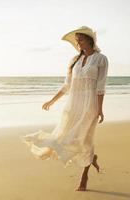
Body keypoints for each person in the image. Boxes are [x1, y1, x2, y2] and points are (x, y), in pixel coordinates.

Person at [20, 26, 109, 192]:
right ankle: (91, 158)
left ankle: (84, 177)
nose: (78, 42)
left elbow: (100, 86)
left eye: (80, 39)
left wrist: (100, 109)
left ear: (90, 40)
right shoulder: (74, 60)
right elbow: (68, 85)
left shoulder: (101, 59)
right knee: (64, 135)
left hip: (89, 105)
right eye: (76, 40)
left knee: (85, 139)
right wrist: (52, 100)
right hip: (73, 105)